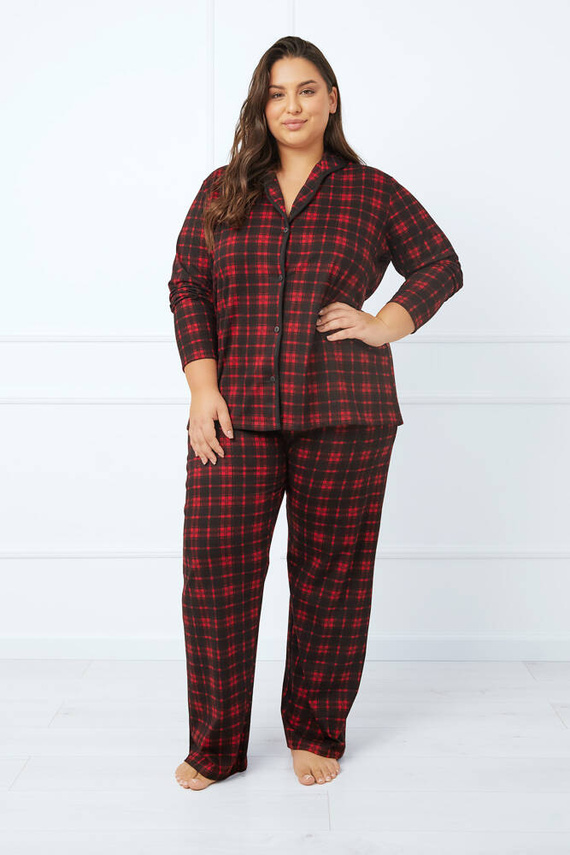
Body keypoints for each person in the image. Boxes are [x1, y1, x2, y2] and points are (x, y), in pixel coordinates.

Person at [168, 35, 463, 790]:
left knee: (332, 573)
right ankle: (217, 744)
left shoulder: (373, 192)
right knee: (216, 571)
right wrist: (202, 388)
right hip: (234, 414)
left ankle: (315, 728)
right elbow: (188, 286)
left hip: (346, 409)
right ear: (260, 107)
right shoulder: (223, 189)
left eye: (306, 90)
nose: (291, 106)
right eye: (276, 94)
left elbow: (440, 262)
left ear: (331, 99)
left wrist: (384, 322)